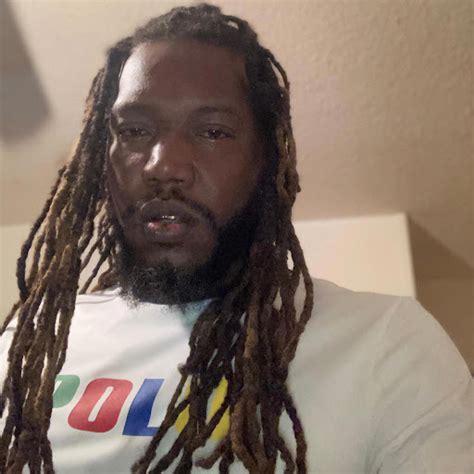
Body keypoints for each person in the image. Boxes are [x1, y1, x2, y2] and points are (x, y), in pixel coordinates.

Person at [0, 4, 472, 473]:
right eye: (135, 130)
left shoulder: (385, 343)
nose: (163, 165)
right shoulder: (22, 347)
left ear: (265, 164)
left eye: (213, 131)